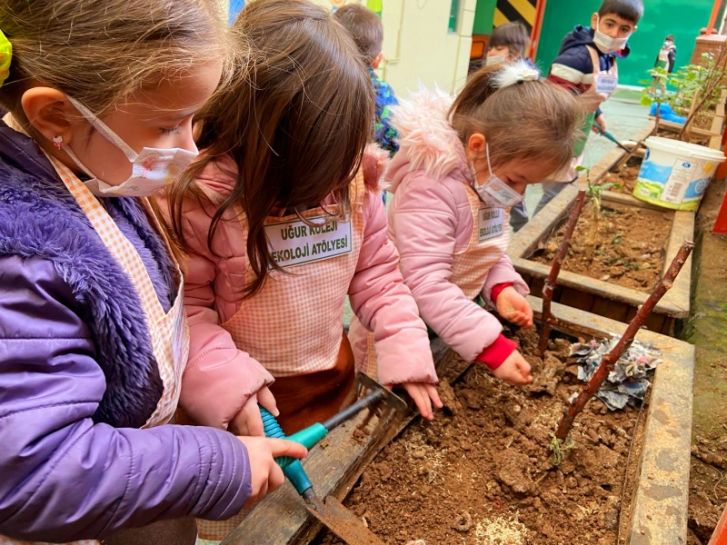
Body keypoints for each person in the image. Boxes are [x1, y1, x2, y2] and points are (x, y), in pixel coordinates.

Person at [0, 1, 306, 544]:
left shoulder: (92, 169)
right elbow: (33, 471)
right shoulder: (20, 254)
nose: (189, 149)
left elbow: (141, 320)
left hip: (134, 476)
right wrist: (219, 465)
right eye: (167, 125)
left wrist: (225, 387)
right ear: (55, 117)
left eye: (194, 121)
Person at [167, 0, 440, 442]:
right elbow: (189, 313)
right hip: (250, 403)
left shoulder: (351, 184)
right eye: (316, 169)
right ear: (258, 141)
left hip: (333, 377)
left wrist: (405, 349)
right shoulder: (203, 202)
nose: (330, 185)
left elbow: (377, 276)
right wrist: (227, 384)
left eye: (341, 161)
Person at [349, 61, 581, 386]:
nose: (518, 195)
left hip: (445, 323)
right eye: (516, 180)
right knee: (377, 403)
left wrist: (501, 287)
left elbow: (486, 247)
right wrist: (491, 347)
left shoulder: (483, 179)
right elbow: (425, 282)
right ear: (476, 146)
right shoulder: (431, 189)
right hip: (396, 334)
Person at [530, 0, 643, 220]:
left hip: (576, 131)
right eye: (609, 24)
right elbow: (551, 103)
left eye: (624, 29)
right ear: (595, 20)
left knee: (561, 185)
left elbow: (587, 92)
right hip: (557, 134)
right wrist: (568, 129)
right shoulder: (577, 58)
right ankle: (532, 233)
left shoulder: (607, 56)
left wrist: (595, 115)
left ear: (633, 30)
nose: (614, 33)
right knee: (555, 191)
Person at [334, 4, 400, 155]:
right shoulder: (383, 94)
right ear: (378, 60)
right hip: (374, 172)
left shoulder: (319, 84)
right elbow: (396, 144)